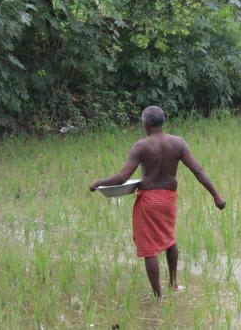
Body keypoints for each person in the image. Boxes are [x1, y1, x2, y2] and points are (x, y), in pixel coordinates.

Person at [89, 106, 226, 298]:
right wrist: (216, 196)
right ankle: (173, 283)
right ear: (163, 121)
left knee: (149, 248)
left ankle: (158, 297)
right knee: (169, 239)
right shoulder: (178, 143)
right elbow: (198, 171)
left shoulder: (141, 146)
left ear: (145, 125)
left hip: (149, 199)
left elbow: (122, 177)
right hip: (169, 197)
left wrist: (98, 183)